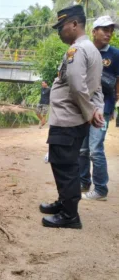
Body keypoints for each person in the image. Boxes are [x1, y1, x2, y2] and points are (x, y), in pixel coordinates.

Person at [39, 5, 105, 229]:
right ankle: (64, 203)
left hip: (68, 120)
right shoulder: (93, 50)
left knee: (64, 166)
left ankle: (69, 216)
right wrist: (95, 110)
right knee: (66, 164)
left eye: (62, 26)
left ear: (74, 24)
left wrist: (88, 113)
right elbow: (96, 89)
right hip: (74, 120)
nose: (59, 31)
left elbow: (77, 86)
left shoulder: (77, 50)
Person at [79, 16, 119, 201]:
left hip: (104, 107)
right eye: (104, 29)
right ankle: (83, 181)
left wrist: (114, 104)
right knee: (83, 149)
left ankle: (101, 188)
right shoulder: (85, 50)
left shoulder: (115, 54)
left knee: (95, 148)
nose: (109, 33)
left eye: (111, 29)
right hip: (84, 107)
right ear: (94, 31)